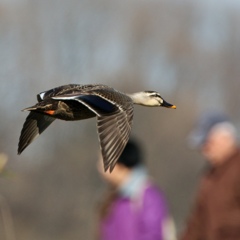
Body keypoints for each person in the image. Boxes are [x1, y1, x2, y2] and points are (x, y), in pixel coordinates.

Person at [96, 139, 176, 240]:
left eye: (103, 162)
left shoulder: (148, 196)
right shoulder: (113, 199)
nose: (99, 168)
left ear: (119, 164)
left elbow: (153, 235)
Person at [180, 112, 240, 240]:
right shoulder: (209, 176)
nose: (204, 150)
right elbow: (197, 223)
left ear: (226, 138)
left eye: (208, 143)